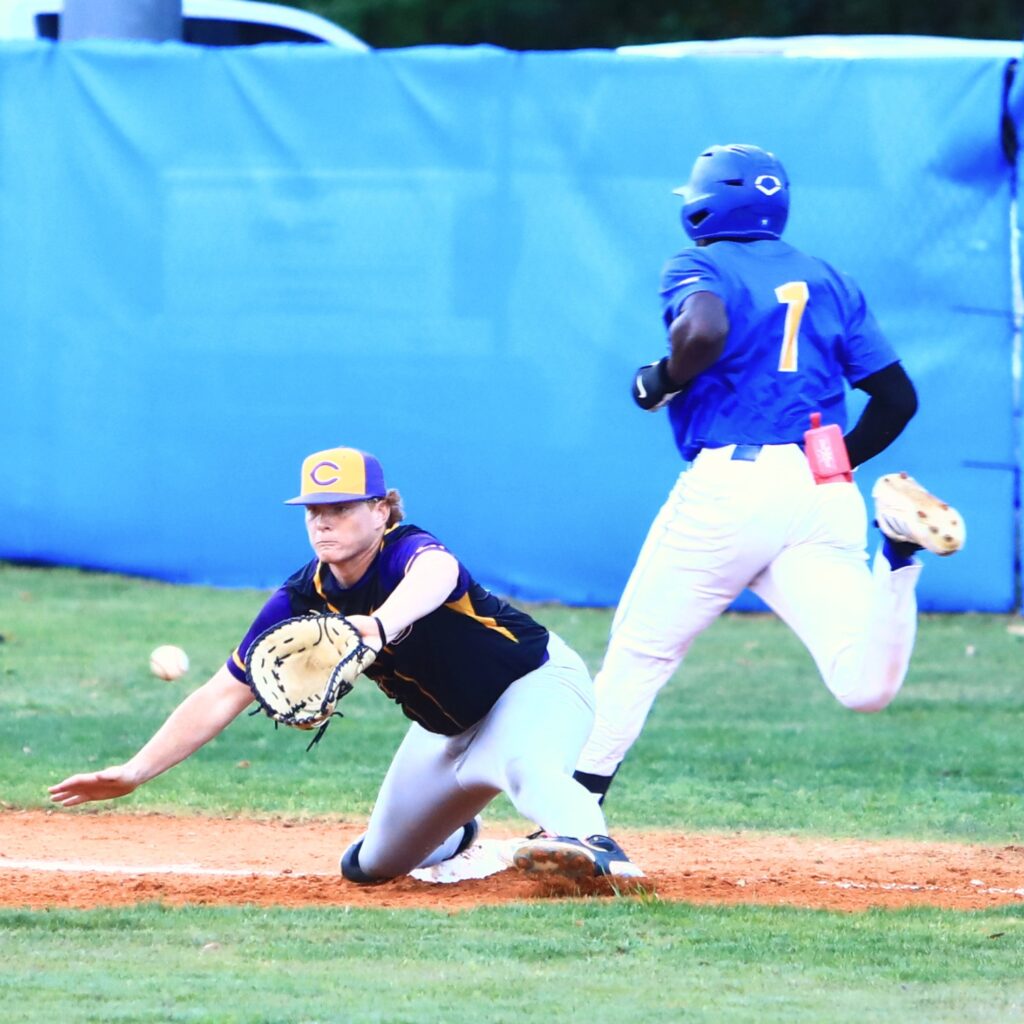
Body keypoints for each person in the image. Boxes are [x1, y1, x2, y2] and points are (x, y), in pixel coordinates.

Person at [572, 143, 965, 804]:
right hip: (821, 489)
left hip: (733, 485)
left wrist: (662, 379)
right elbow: (898, 400)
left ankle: (574, 816)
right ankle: (896, 554)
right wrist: (838, 463)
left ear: (705, 204)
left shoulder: (699, 262)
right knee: (863, 685)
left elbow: (701, 330)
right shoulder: (828, 278)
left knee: (641, 654)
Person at [49, 446, 642, 883]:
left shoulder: (409, 551)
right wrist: (134, 772)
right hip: (445, 735)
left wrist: (379, 625)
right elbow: (224, 692)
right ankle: (460, 833)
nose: (323, 521)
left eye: (341, 507)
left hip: (535, 687)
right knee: (369, 867)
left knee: (525, 765)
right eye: (313, 510)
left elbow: (435, 576)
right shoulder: (302, 598)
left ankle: (594, 846)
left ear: (383, 510)